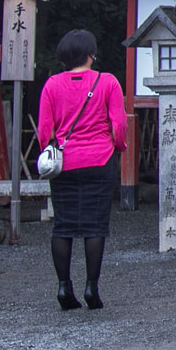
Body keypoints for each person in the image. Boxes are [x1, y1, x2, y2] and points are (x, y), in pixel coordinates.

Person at [36, 30, 127, 311]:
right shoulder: (107, 82)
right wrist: (118, 146)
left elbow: (44, 131)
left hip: (64, 163)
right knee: (94, 226)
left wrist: (51, 150)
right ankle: (91, 288)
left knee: (63, 225)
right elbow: (119, 124)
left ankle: (64, 288)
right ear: (91, 54)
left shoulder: (51, 85)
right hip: (99, 160)